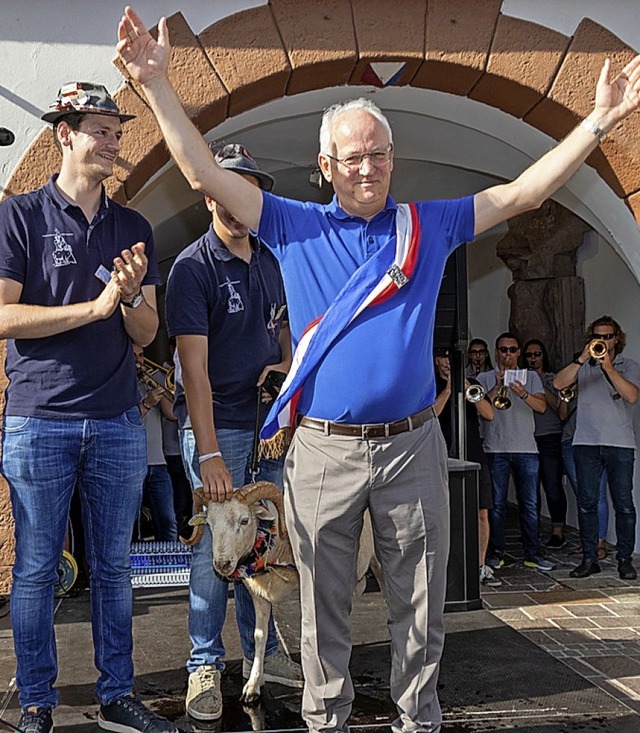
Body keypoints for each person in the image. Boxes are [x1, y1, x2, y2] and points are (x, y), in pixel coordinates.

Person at [116, 10, 640, 731]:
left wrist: (599, 120)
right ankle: (327, 720)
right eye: (352, 157)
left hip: (413, 447)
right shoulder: (291, 224)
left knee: (421, 606)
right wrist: (157, 85)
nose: (367, 167)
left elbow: (523, 194)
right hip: (323, 451)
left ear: (391, 157)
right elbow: (202, 170)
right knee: (321, 608)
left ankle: (417, 719)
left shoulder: (430, 225)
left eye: (378, 153)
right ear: (326, 166)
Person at [0, 82, 177, 733]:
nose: (113, 141)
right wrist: (95, 307)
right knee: (37, 568)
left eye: (116, 130)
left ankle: (118, 695)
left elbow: (144, 332)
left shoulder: (133, 227)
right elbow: (4, 315)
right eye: (100, 129)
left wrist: (129, 299)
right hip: (37, 418)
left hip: (116, 420)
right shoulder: (19, 216)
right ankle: (39, 701)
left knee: (112, 566)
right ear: (64, 133)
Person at [165, 142, 300, 722]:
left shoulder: (271, 260)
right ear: (209, 191)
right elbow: (193, 369)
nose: (239, 200)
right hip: (219, 430)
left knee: (261, 547)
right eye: (228, 185)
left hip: (268, 427)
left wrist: (285, 375)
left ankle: (258, 655)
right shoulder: (191, 268)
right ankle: (203, 665)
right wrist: (212, 452)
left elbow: (289, 332)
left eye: (249, 187)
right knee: (214, 551)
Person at [554, 316, 639, 580]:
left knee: (624, 504)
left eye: (608, 336)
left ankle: (624, 559)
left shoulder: (629, 365)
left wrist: (609, 368)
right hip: (586, 443)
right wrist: (581, 359)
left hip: (620, 443)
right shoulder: (584, 366)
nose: (603, 341)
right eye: (598, 336)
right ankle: (590, 557)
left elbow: (632, 396)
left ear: (617, 339)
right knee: (587, 504)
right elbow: (558, 384)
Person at [477, 334, 554, 572]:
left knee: (530, 505)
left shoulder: (530, 377)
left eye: (512, 350)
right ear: (496, 351)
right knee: (497, 505)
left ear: (519, 352)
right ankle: (496, 553)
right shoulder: (483, 377)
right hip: (495, 448)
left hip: (526, 449)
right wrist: (497, 385)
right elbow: (480, 410)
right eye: (503, 350)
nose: (507, 355)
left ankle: (533, 553)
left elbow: (542, 407)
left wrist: (522, 393)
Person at [523, 339, 568, 547]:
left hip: (549, 435)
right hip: (527, 436)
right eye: (529, 355)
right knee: (530, 488)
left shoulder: (553, 379)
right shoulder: (520, 379)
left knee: (552, 485)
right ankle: (533, 531)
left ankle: (558, 529)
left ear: (544, 357)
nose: (533, 358)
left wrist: (538, 383)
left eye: (537, 354)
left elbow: (558, 408)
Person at [134, 343, 179, 542]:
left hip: (158, 462)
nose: (139, 361)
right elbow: (127, 421)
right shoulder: (120, 384)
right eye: (134, 356)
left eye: (142, 356)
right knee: (132, 524)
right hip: (132, 464)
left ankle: (171, 566)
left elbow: (172, 414)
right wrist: (146, 403)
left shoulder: (152, 379)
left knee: (168, 521)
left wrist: (158, 389)